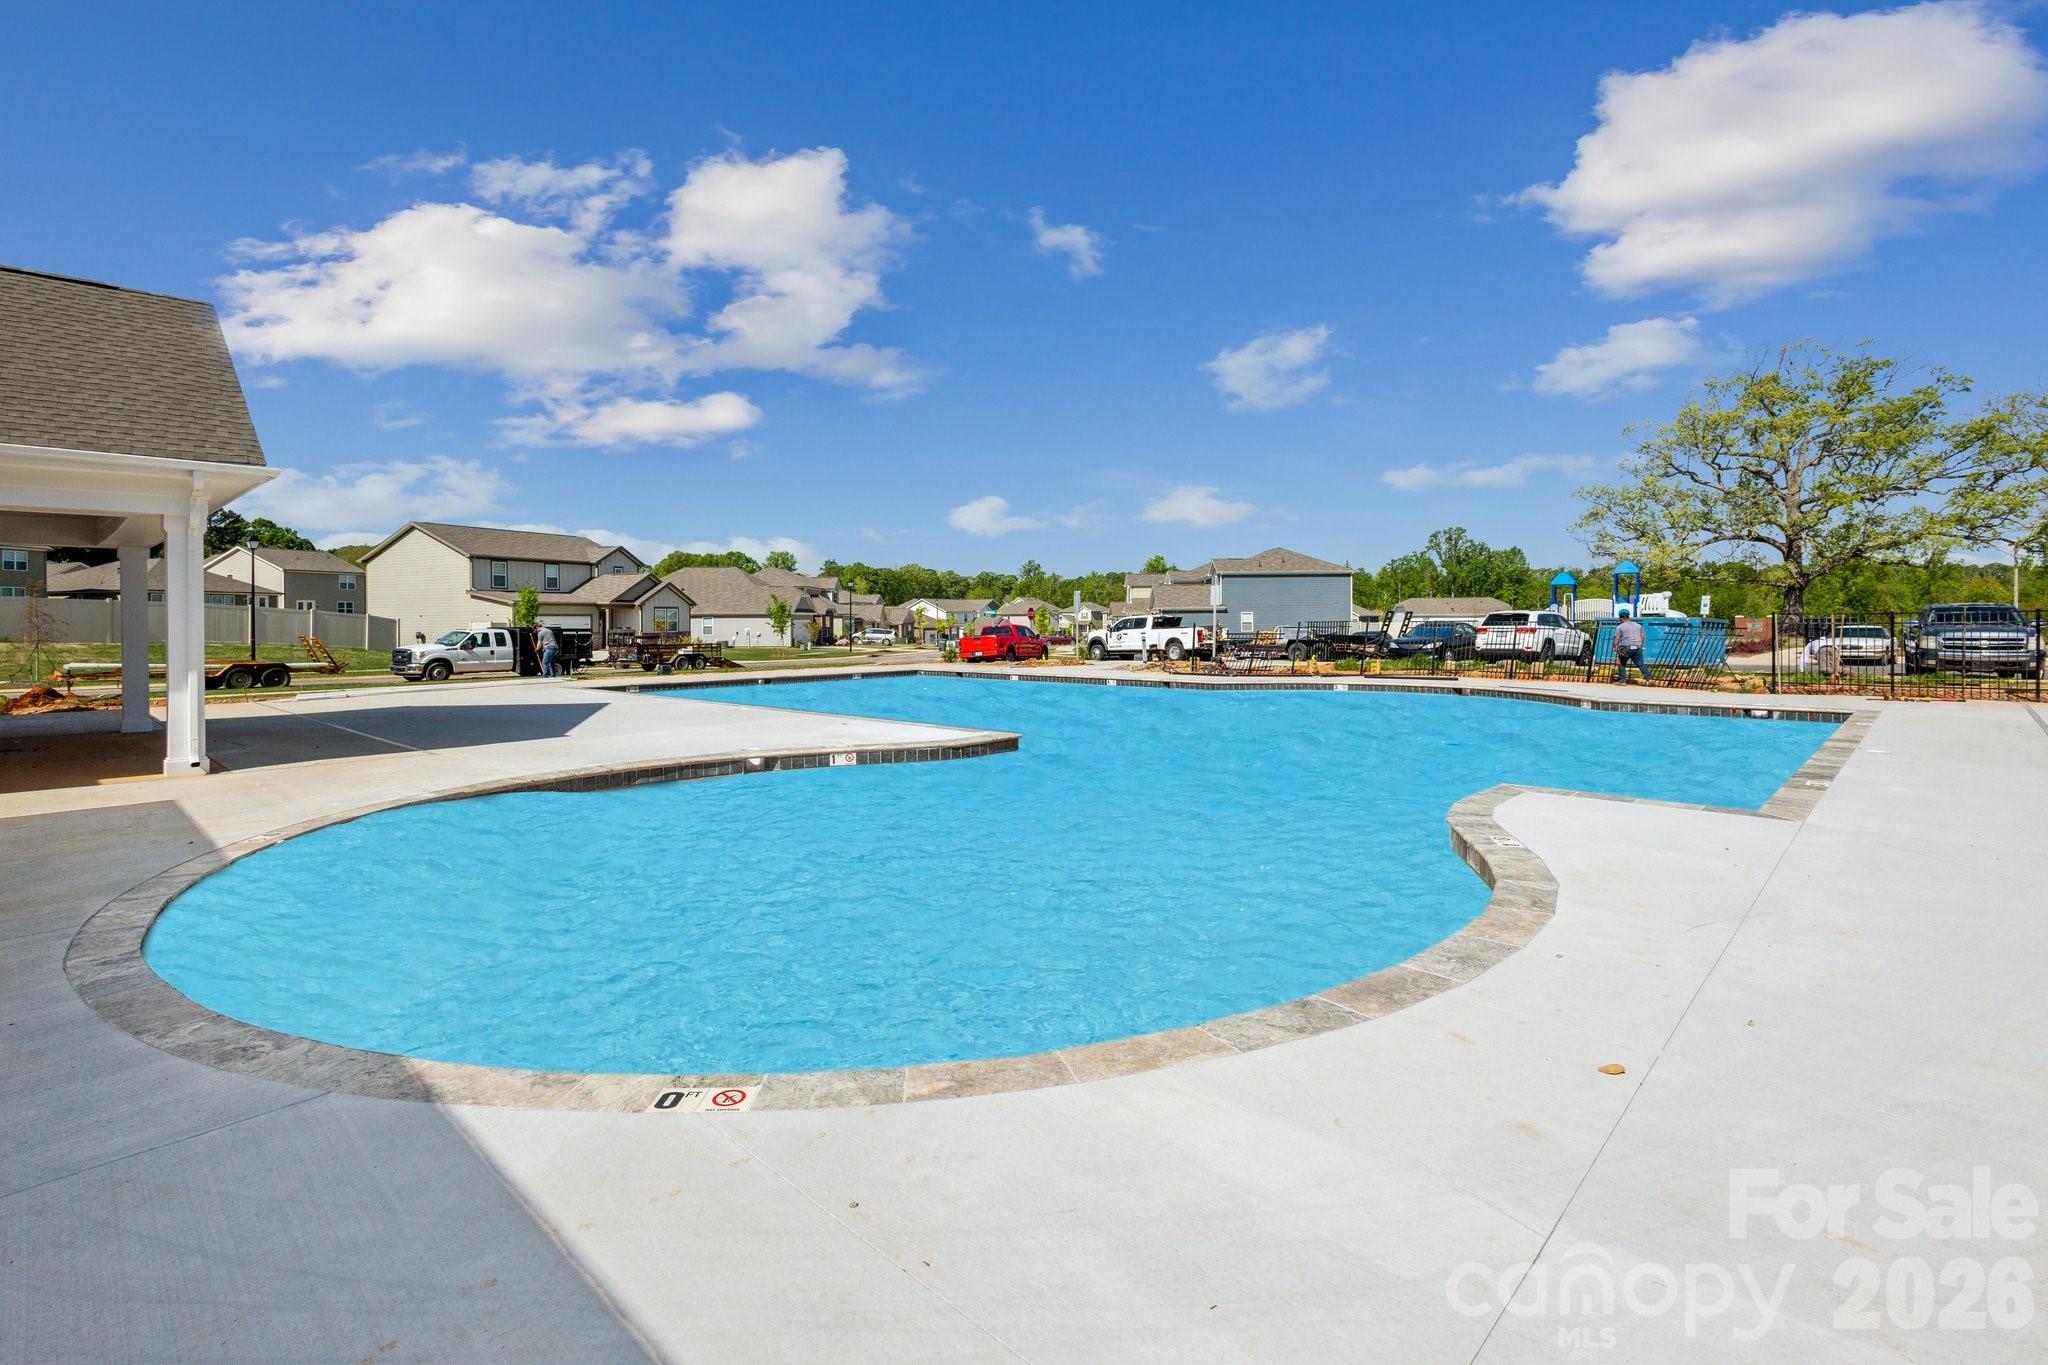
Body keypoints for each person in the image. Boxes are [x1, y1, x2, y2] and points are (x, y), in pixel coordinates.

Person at [1613, 608, 1650, 685]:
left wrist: (1614, 646)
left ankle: (1622, 681)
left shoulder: (1620, 626)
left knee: (1621, 663)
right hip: (1637, 647)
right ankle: (1649, 679)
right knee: (1641, 664)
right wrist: (1639, 644)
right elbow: (1643, 636)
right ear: (1628, 616)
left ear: (1621, 618)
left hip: (1625, 647)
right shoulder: (1638, 626)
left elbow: (1617, 638)